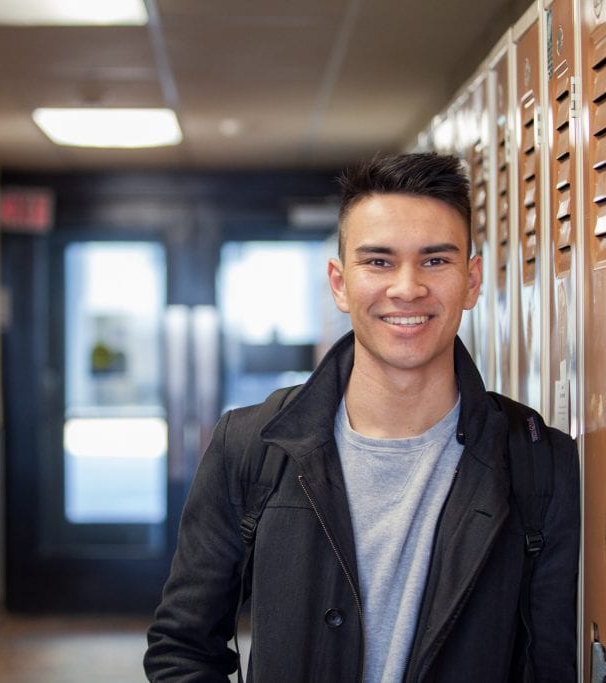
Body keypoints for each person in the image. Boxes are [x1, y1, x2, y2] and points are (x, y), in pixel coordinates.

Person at [144, 152, 580, 682]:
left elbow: (551, 663)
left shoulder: (540, 463)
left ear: (472, 280)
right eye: (378, 261)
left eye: (436, 261)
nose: (406, 288)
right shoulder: (251, 445)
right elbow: (183, 647)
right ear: (339, 282)